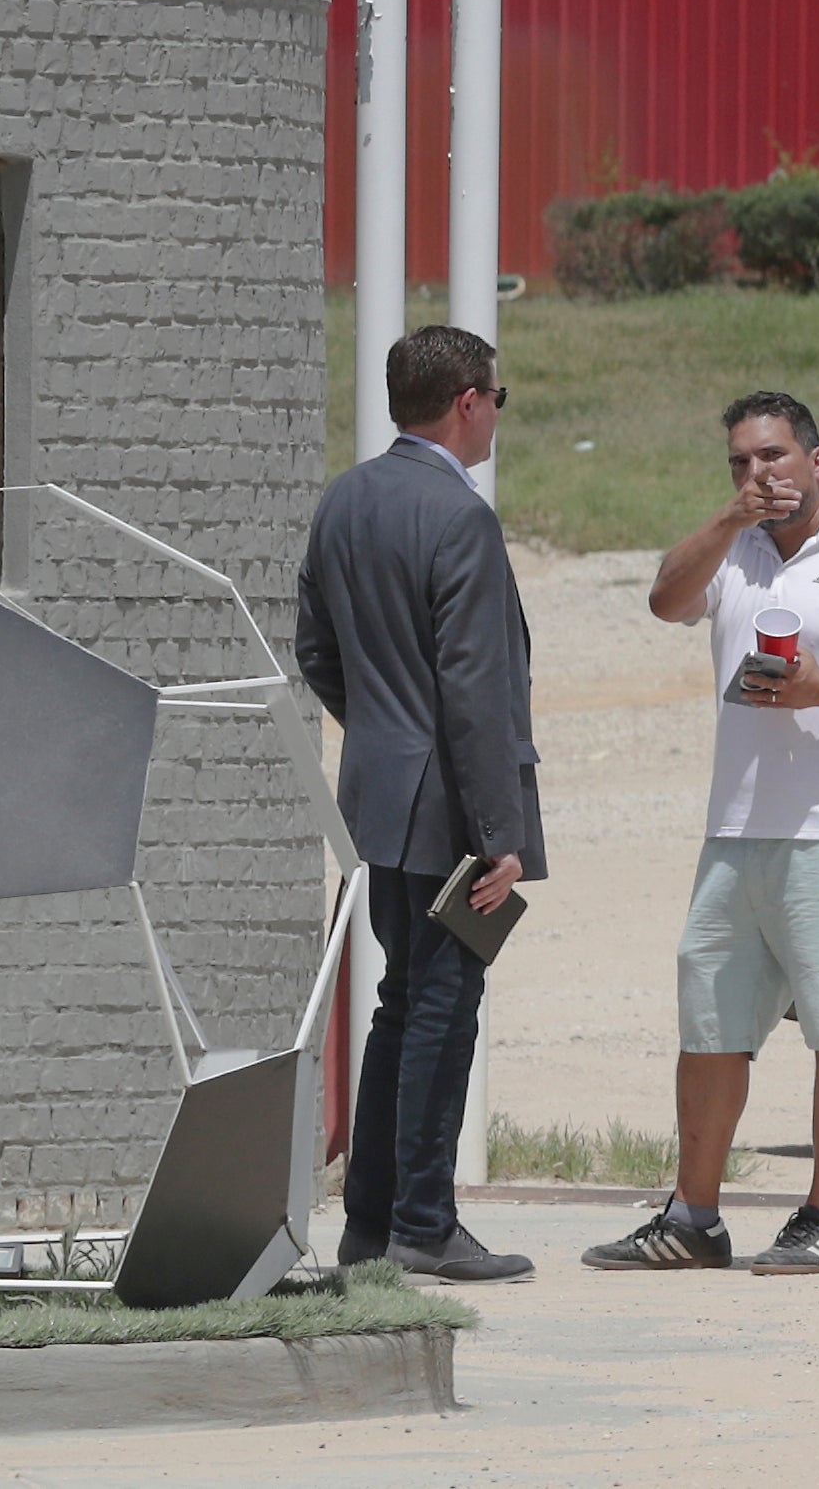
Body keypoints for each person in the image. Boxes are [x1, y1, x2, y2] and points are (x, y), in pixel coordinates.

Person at [590, 389, 819, 1276]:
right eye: (742, 464)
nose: (760, 476)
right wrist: (728, 519)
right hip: (737, 829)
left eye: (774, 458)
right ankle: (693, 1216)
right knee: (709, 1025)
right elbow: (664, 601)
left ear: (818, 460)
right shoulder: (736, 551)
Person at [290, 323, 544, 1282]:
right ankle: (424, 1222)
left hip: (380, 800)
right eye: (496, 400)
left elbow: (316, 651)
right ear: (468, 401)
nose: (495, 419)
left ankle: (372, 1222)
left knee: (404, 1003)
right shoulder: (460, 516)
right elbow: (475, 690)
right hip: (451, 817)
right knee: (443, 1004)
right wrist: (499, 837)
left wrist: (382, 738)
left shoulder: (346, 498)